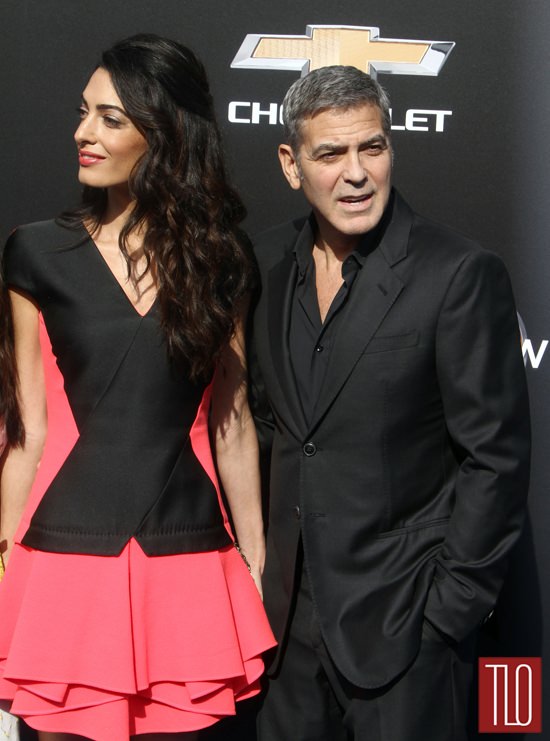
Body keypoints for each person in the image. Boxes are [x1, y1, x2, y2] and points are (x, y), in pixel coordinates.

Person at [0, 33, 275, 740]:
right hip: (63, 547)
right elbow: (28, 420)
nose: (82, 132)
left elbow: (233, 419)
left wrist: (255, 554)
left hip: (185, 547)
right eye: (84, 112)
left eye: (109, 118)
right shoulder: (36, 252)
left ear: (165, 134)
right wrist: (4, 547)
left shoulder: (223, 260)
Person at [248, 65, 531, 740]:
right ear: (291, 163)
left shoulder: (457, 273)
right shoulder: (262, 267)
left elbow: (494, 460)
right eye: (331, 153)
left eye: (371, 147)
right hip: (284, 636)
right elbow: (263, 428)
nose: (356, 173)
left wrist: (445, 616)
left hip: (406, 633)